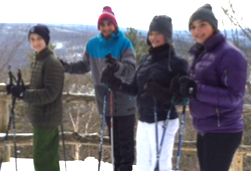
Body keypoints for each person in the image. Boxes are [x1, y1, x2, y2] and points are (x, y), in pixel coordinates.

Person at [101, 15, 188, 171]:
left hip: (164, 120)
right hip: (144, 119)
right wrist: (115, 83)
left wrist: (162, 93)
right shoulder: (145, 60)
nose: (153, 37)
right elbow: (134, 88)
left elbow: (183, 97)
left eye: (158, 33)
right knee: (143, 165)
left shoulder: (176, 63)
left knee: (160, 165)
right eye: (151, 33)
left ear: (167, 35)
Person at [170, 4, 248, 171]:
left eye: (202, 25)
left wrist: (195, 89)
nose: (197, 31)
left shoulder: (230, 54)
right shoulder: (202, 53)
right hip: (205, 128)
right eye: (192, 27)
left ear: (213, 25)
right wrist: (183, 88)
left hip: (223, 130)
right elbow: (199, 88)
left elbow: (235, 96)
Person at [60, 6, 136, 171]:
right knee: (115, 144)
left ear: (115, 25)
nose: (106, 27)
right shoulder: (92, 44)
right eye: (103, 24)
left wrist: (117, 67)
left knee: (126, 145)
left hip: (123, 100)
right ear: (98, 27)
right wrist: (66, 67)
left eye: (109, 24)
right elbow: (84, 65)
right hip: (105, 101)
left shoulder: (124, 43)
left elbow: (131, 70)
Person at [10, 24, 64, 171]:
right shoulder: (40, 59)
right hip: (43, 117)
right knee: (48, 156)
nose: (35, 42)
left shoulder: (51, 62)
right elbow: (38, 86)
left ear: (46, 40)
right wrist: (21, 89)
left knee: (42, 157)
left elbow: (50, 93)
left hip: (46, 118)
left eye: (39, 38)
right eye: (32, 39)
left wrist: (23, 94)